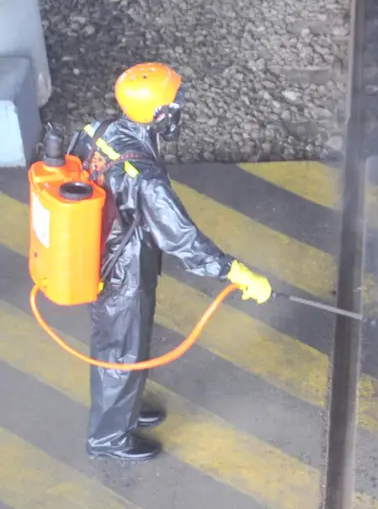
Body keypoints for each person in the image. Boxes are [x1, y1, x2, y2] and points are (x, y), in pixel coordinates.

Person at [68, 62, 272, 462]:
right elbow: (183, 239)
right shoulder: (144, 178)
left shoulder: (102, 130)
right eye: (174, 105)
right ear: (157, 114)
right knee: (120, 353)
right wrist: (236, 272)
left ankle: (122, 409)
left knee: (124, 346)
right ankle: (108, 439)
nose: (179, 110)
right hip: (123, 271)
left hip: (102, 252)